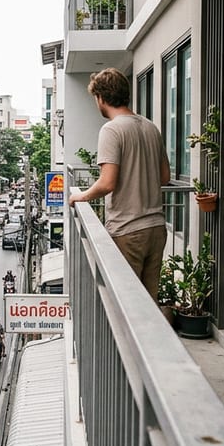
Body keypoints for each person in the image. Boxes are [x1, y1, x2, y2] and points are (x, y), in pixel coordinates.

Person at [69, 67, 170, 303]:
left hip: (128, 230)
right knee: (148, 304)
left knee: (127, 304)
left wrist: (82, 196)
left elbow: (107, 183)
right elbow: (164, 177)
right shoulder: (150, 127)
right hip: (156, 227)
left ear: (101, 98)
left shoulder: (112, 130)